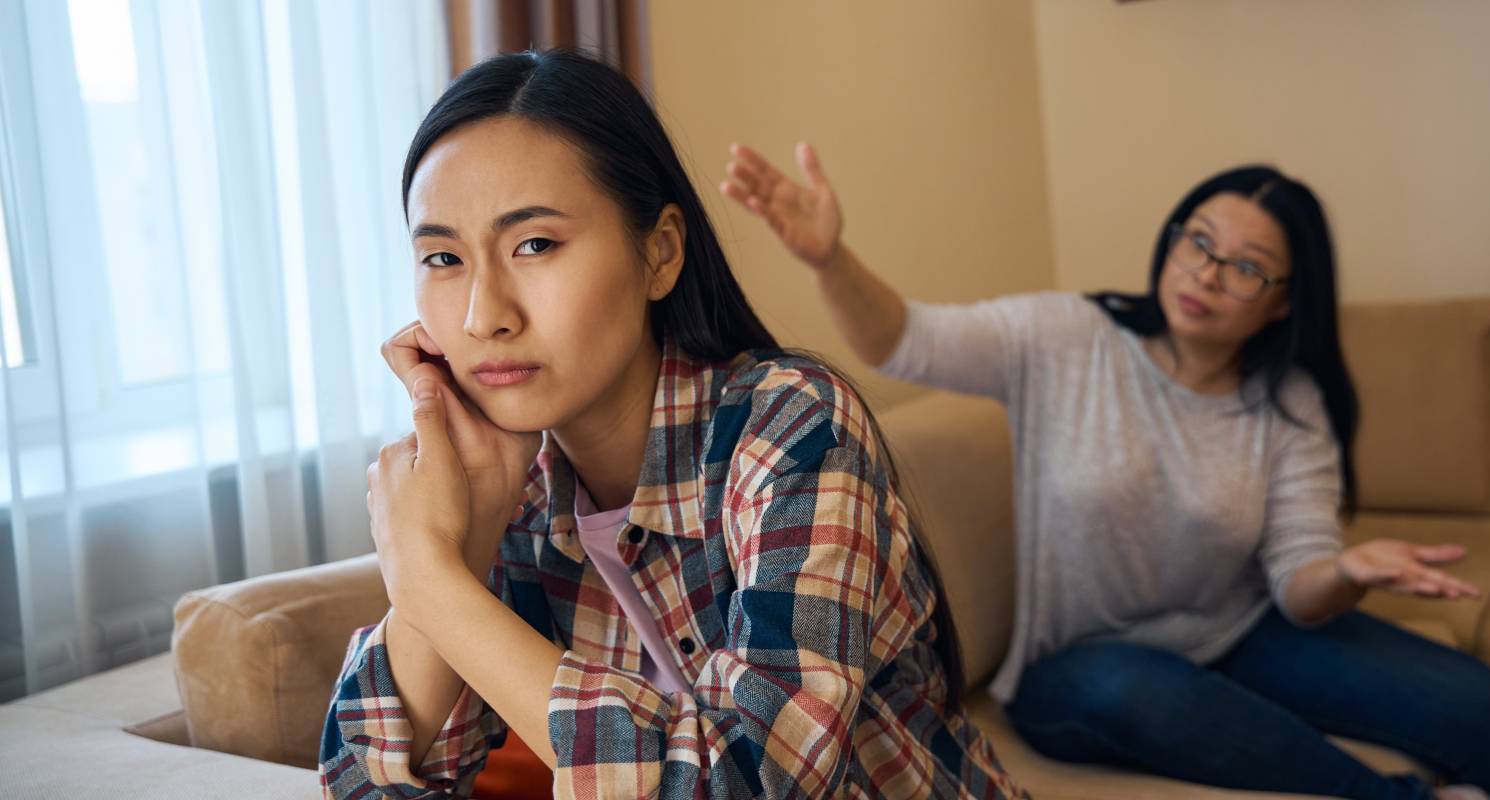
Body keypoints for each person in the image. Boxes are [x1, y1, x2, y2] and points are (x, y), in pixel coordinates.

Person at [720, 143, 1490, 800]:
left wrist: (1343, 570)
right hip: (1084, 664)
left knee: (1473, 700)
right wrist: (830, 259)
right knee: (1137, 692)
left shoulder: (1289, 400)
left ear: (1280, 301)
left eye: (1245, 266)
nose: (1205, 271)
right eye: (1198, 240)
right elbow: (900, 339)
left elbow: (1299, 582)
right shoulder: (1069, 337)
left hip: (1241, 633)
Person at [318, 50, 1027, 800]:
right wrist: (477, 521)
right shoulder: (513, 489)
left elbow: (752, 781)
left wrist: (430, 581)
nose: (483, 315)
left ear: (659, 253)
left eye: (535, 245)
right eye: (442, 257)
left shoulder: (790, 425)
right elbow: (357, 786)